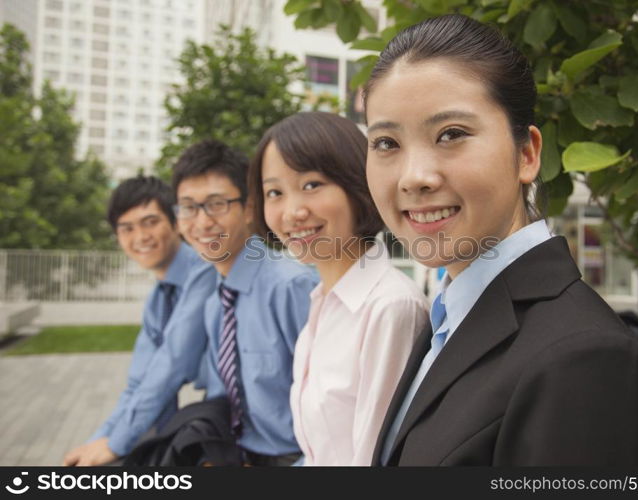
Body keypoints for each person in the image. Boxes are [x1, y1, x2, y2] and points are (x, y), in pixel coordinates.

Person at [363, 14, 638, 466]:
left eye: (451, 134)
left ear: (527, 153)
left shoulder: (586, 361)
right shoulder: (448, 318)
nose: (414, 178)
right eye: (385, 143)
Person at [248, 112, 429, 466]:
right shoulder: (322, 300)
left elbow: (375, 460)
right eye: (274, 192)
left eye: (312, 185)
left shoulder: (391, 308)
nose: (292, 211)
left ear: (358, 183)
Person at [171, 139, 318, 466]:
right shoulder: (217, 299)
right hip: (237, 454)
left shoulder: (291, 286)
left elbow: (336, 408)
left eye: (217, 204)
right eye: (188, 207)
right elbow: (220, 393)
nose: (202, 222)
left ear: (249, 208)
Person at [63, 176, 216, 466]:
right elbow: (140, 382)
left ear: (175, 223)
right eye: (127, 228)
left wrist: (118, 443)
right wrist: (101, 440)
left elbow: (172, 368)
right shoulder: (158, 298)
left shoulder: (206, 271)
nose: (141, 237)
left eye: (150, 222)